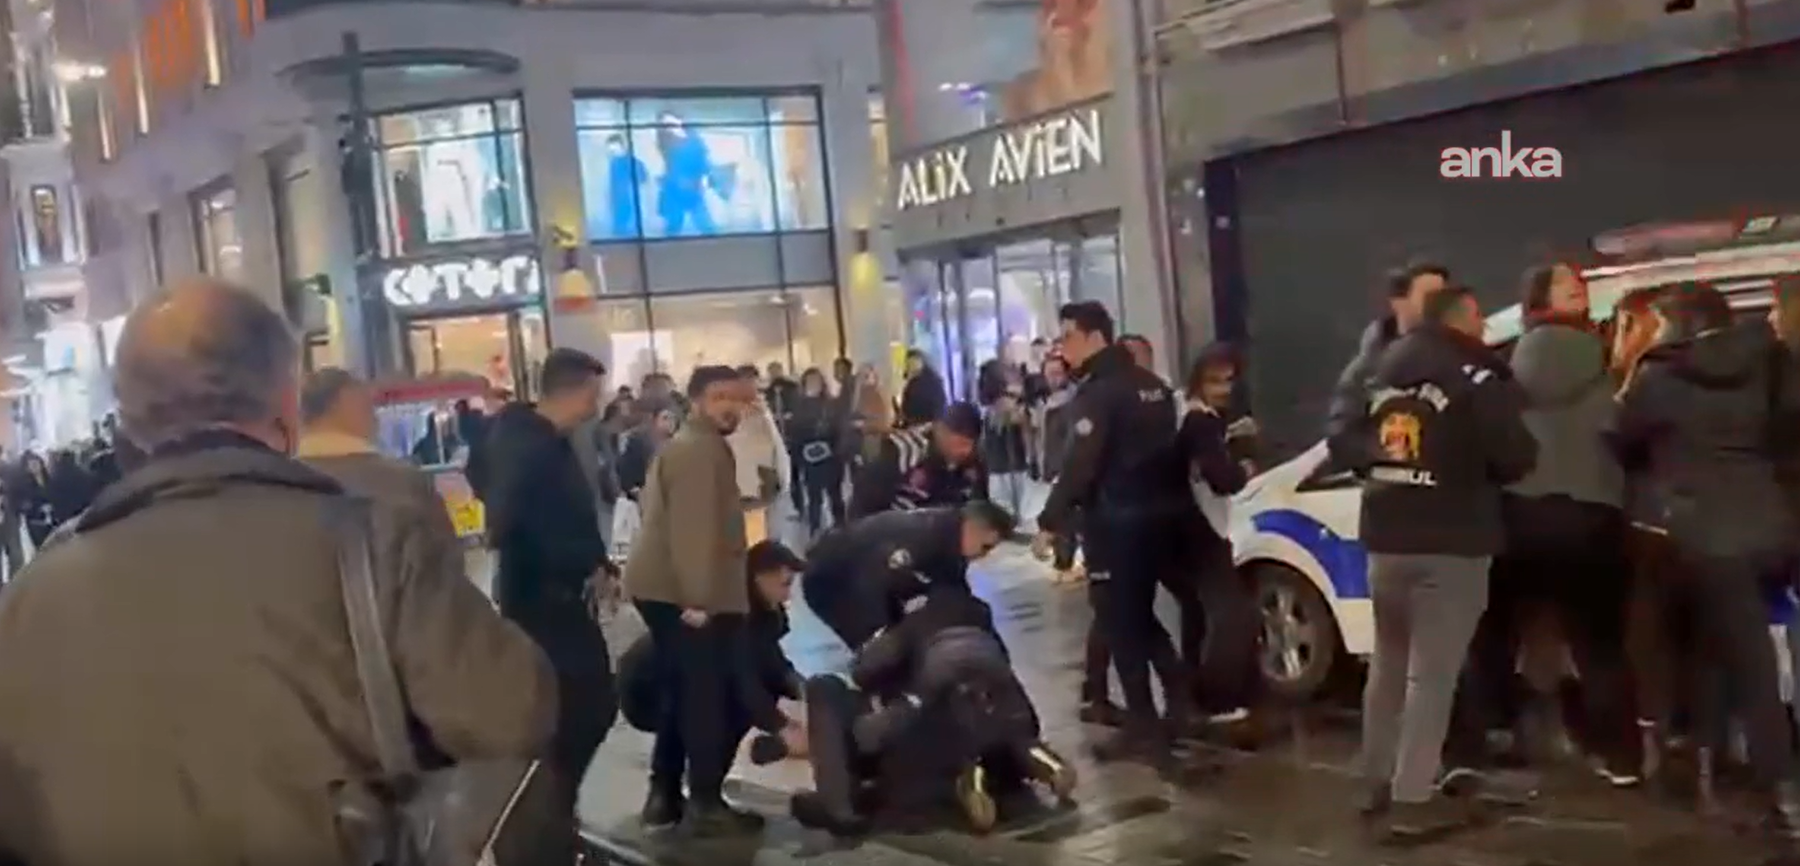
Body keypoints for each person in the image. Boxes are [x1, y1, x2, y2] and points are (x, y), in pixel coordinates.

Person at [0, 278, 555, 865]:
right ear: (286, 404)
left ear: (126, 422)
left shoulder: (30, 599)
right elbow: (514, 711)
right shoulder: (371, 546)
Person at [1614, 283, 1800, 860]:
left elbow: (1618, 441)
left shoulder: (1659, 377)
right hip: (1774, 525)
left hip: (1708, 536)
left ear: (1681, 323)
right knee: (1741, 648)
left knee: (1746, 664)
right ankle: (1716, 763)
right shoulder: (1770, 360)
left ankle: (1784, 790)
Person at [1347, 285, 1537, 841]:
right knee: (1433, 676)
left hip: (1385, 533)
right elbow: (1516, 455)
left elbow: (1350, 440)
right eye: (1478, 317)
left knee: (1387, 664)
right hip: (1452, 539)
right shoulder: (1476, 377)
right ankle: (1413, 797)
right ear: (1463, 321)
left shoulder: (1381, 371)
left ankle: (1373, 781)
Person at [1475, 263, 1634, 782]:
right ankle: (1619, 755)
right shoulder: (1607, 359)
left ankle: (1500, 733)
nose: (1580, 287)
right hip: (1590, 512)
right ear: (1545, 296)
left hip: (1522, 514)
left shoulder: (1513, 359)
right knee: (1599, 640)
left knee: (1503, 630)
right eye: (1568, 283)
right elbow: (1620, 428)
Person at [1035, 301, 1206, 770]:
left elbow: (1080, 464)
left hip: (1115, 524)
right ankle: (1174, 705)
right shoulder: (1152, 387)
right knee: (1139, 617)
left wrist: (1051, 519)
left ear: (1095, 337)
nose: (1062, 347)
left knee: (1121, 623)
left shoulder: (1099, 393)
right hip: (1161, 521)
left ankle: (1147, 728)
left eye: (1068, 337)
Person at [792, 582, 1073, 836]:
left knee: (838, 701)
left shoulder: (904, 627)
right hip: (1004, 699)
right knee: (1004, 727)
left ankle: (968, 777)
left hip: (942, 719)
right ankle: (1036, 756)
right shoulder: (975, 610)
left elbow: (864, 673)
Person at [483, 347, 618, 837]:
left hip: (557, 597)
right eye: (594, 394)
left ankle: (557, 812)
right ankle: (548, 815)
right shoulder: (529, 447)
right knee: (583, 707)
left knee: (585, 705)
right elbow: (516, 521)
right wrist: (580, 564)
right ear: (578, 390)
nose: (596, 405)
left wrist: (598, 561)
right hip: (543, 603)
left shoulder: (543, 440)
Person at [622, 365, 760, 836]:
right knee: (704, 695)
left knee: (682, 692)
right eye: (720, 397)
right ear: (696, 400)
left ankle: (663, 797)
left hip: (663, 586)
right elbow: (693, 532)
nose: (731, 407)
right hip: (683, 592)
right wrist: (698, 599)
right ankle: (703, 799)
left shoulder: (693, 445)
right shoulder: (700, 451)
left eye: (739, 399)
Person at [617, 540, 810, 800]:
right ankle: (704, 795)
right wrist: (780, 726)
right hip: (647, 688)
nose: (788, 596)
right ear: (759, 579)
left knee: (740, 699)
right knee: (731, 706)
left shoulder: (764, 613)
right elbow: (744, 679)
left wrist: (802, 689)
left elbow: (771, 663)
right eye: (784, 584)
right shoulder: (733, 614)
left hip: (666, 680)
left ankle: (693, 793)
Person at [801, 502, 1015, 652]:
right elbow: (871, 583)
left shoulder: (949, 538)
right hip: (831, 580)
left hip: (863, 573)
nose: (982, 555)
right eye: (985, 546)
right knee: (883, 652)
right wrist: (877, 639)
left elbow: (957, 596)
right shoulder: (923, 539)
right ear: (972, 527)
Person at [296, 367, 458, 554]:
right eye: (369, 407)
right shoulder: (404, 484)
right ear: (348, 404)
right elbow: (443, 568)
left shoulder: (274, 487)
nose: (376, 419)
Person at [1326, 262, 1451, 470]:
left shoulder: (1459, 356)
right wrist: (1397, 456)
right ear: (1399, 302)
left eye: (1444, 299)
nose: (1439, 308)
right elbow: (1342, 437)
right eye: (1429, 297)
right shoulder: (1368, 370)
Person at [848, 401, 989, 520]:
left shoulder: (971, 462)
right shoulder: (903, 450)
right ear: (940, 429)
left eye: (970, 445)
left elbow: (977, 507)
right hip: (894, 532)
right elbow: (864, 508)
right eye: (960, 444)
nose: (965, 451)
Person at [789, 367, 847, 535]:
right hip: (809, 457)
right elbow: (795, 432)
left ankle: (842, 529)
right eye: (810, 381)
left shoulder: (832, 405)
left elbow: (839, 429)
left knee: (835, 494)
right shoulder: (798, 405)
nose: (814, 384)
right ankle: (815, 531)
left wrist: (837, 450)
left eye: (817, 381)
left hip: (831, 454)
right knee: (814, 497)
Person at [899, 349, 948, 428]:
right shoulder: (912, 382)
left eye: (914, 362)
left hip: (927, 426)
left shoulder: (933, 381)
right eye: (909, 363)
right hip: (913, 425)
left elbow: (939, 406)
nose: (911, 365)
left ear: (922, 362)